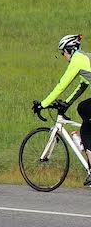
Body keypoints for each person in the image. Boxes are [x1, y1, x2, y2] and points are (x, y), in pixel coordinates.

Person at [35, 34, 91, 186]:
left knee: (86, 127)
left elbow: (62, 85)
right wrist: (66, 103)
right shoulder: (85, 58)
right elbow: (82, 85)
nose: (63, 56)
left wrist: (43, 104)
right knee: (83, 108)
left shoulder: (77, 61)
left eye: (63, 53)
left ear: (69, 50)